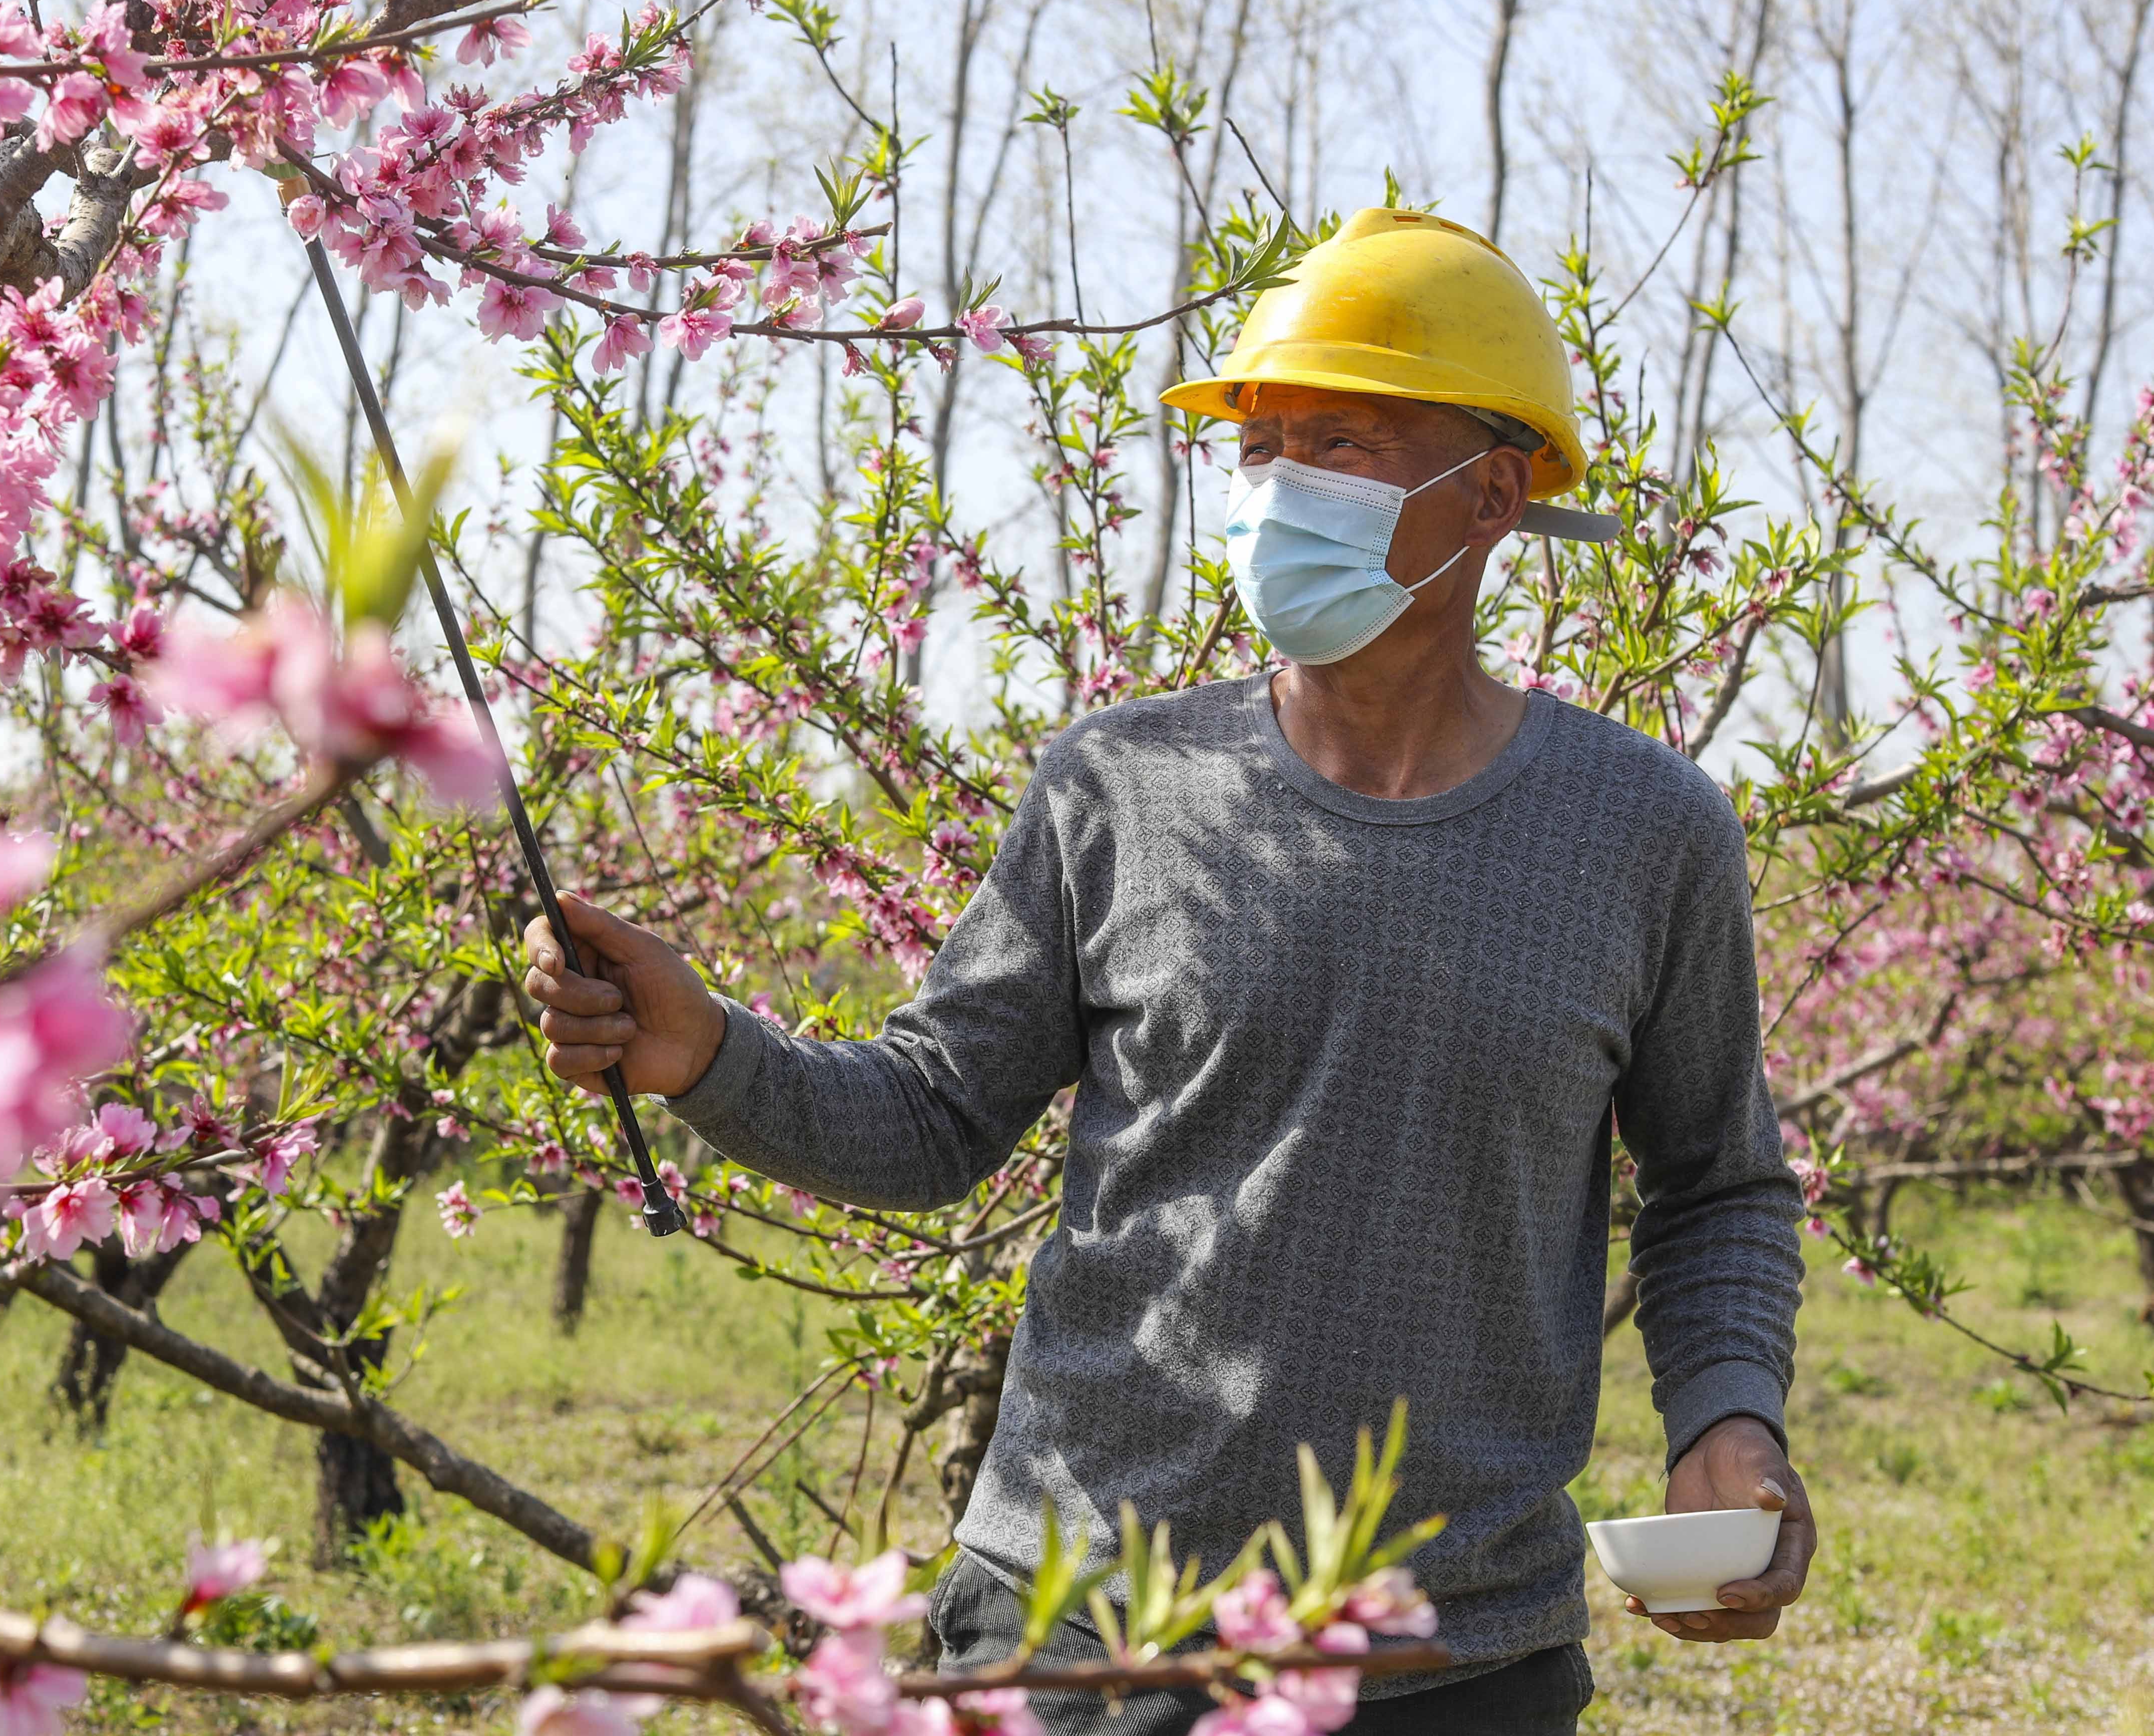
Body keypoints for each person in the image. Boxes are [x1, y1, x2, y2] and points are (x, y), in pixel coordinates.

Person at [518, 207, 1814, 1735]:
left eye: (1341, 442)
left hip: (1450, 1655)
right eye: (1260, 448)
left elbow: (1717, 1182)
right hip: (1083, 1630)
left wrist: (1729, 1419)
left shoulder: (1646, 831)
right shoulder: (1117, 787)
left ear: (1494, 496)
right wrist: (710, 1055)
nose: (1279, 491)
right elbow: (937, 1115)